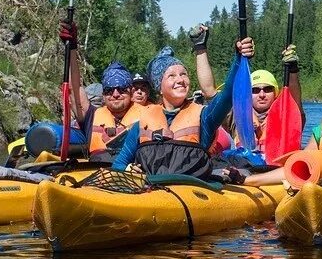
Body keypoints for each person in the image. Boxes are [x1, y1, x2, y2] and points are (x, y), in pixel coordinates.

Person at [105, 37, 255, 176]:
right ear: (159, 87)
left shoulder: (204, 117)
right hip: (153, 195)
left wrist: (238, 57)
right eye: (171, 76)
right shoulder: (141, 125)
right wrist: (128, 169)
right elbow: (119, 163)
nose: (180, 80)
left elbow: (228, 95)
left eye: (184, 74)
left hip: (193, 194)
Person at [69, 61, 170, 163]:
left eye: (121, 89)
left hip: (134, 173)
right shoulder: (92, 116)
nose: (115, 94)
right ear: (103, 95)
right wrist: (72, 49)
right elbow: (74, 87)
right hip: (97, 171)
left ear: (130, 91)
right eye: (109, 90)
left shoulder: (149, 114)